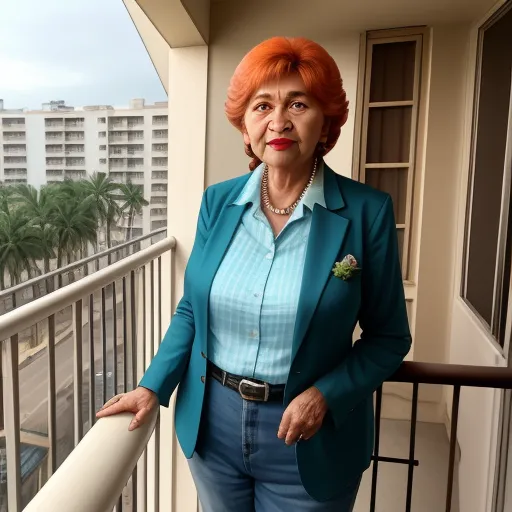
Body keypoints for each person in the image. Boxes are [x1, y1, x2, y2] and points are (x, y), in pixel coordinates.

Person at [97, 36, 411, 511]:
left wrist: (326, 396)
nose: (278, 121)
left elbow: (388, 337)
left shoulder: (367, 212)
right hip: (213, 424)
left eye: (298, 104)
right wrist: (151, 385)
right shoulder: (217, 203)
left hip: (308, 434)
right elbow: (191, 309)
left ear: (325, 120)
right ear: (245, 127)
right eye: (262, 106)